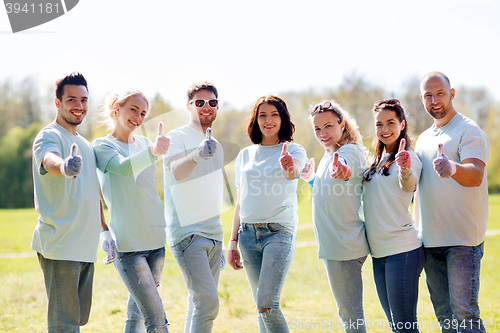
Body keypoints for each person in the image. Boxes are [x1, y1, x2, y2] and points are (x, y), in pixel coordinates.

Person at [415, 72, 489, 333]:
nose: (434, 100)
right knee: (445, 318)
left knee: (465, 316)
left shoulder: (468, 129)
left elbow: (476, 175)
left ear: (452, 94)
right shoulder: (423, 139)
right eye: (428, 95)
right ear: (421, 98)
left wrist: (453, 168)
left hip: (461, 240)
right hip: (430, 240)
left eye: (440, 93)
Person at [31, 72, 104, 332]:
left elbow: (92, 191)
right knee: (64, 324)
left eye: (83, 100)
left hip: (84, 246)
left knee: (77, 319)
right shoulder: (49, 135)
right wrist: (63, 166)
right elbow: (48, 159)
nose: (79, 105)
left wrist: (104, 230)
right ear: (57, 102)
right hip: (60, 244)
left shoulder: (85, 144)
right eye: (71, 99)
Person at [227, 95, 307, 333]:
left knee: (266, 304)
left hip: (279, 232)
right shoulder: (245, 155)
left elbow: (295, 173)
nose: (268, 120)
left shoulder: (293, 150)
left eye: (274, 114)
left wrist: (290, 167)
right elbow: (240, 201)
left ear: (283, 119)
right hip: (247, 235)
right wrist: (232, 242)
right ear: (255, 120)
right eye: (263, 115)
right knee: (260, 306)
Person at [92, 91, 170, 332]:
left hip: (156, 240)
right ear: (117, 107)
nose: (138, 117)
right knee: (156, 319)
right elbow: (122, 168)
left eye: (143, 113)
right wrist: (153, 153)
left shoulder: (147, 144)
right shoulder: (103, 146)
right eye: (133, 109)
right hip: (129, 246)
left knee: (136, 315)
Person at [300, 100, 369, 333]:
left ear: (342, 124)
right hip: (337, 245)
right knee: (348, 314)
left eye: (328, 126)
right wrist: (311, 179)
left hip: (343, 246)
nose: (322, 133)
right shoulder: (330, 155)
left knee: (350, 316)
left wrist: (344, 170)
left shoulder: (349, 152)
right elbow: (332, 192)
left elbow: (345, 170)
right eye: (317, 129)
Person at [163, 82, 225, 333]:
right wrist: (197, 155)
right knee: (207, 303)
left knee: (197, 304)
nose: (206, 107)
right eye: (199, 103)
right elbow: (176, 170)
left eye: (211, 102)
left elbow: (212, 192)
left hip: (213, 235)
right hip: (188, 234)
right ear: (189, 106)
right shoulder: (176, 137)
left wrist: (219, 238)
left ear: (218, 106)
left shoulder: (217, 145)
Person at [363, 99, 424, 333]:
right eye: (379, 124)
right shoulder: (375, 162)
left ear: (402, 124)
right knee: (396, 327)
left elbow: (409, 185)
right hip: (379, 254)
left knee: (405, 327)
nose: (384, 129)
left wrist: (406, 169)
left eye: (390, 123)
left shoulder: (408, 157)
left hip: (403, 251)